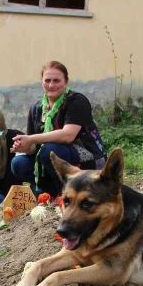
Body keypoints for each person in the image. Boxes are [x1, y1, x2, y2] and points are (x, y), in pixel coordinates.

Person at [10, 61, 106, 197]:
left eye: (56, 80)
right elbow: (34, 146)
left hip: (86, 154)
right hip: (49, 156)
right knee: (19, 163)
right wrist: (24, 146)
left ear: (66, 81)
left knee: (49, 150)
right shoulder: (36, 108)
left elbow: (68, 136)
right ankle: (48, 193)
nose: (51, 85)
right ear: (42, 82)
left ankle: (68, 193)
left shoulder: (76, 101)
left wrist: (31, 139)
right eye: (47, 80)